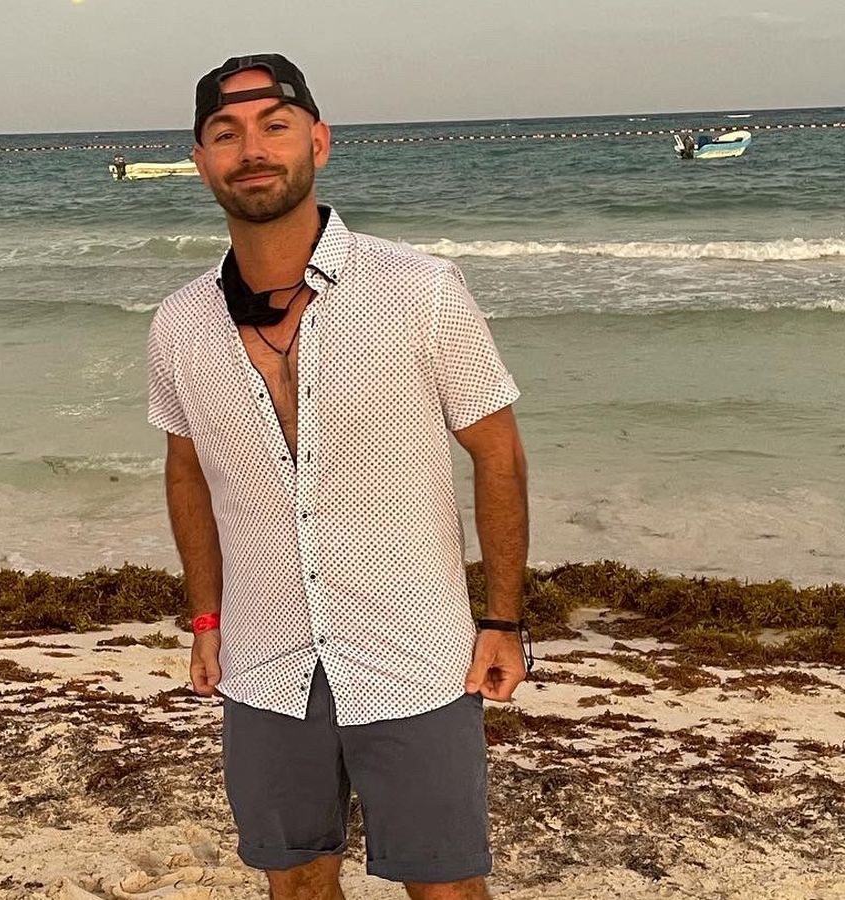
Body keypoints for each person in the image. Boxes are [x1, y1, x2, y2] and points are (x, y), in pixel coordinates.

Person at [147, 53, 529, 900]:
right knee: (295, 883)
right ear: (202, 161)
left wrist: (502, 619)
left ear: (318, 141)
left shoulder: (420, 290)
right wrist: (205, 618)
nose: (253, 149)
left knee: (447, 887)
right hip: (264, 660)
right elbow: (186, 474)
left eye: (274, 126)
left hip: (416, 654)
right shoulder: (179, 323)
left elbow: (497, 453)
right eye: (226, 134)